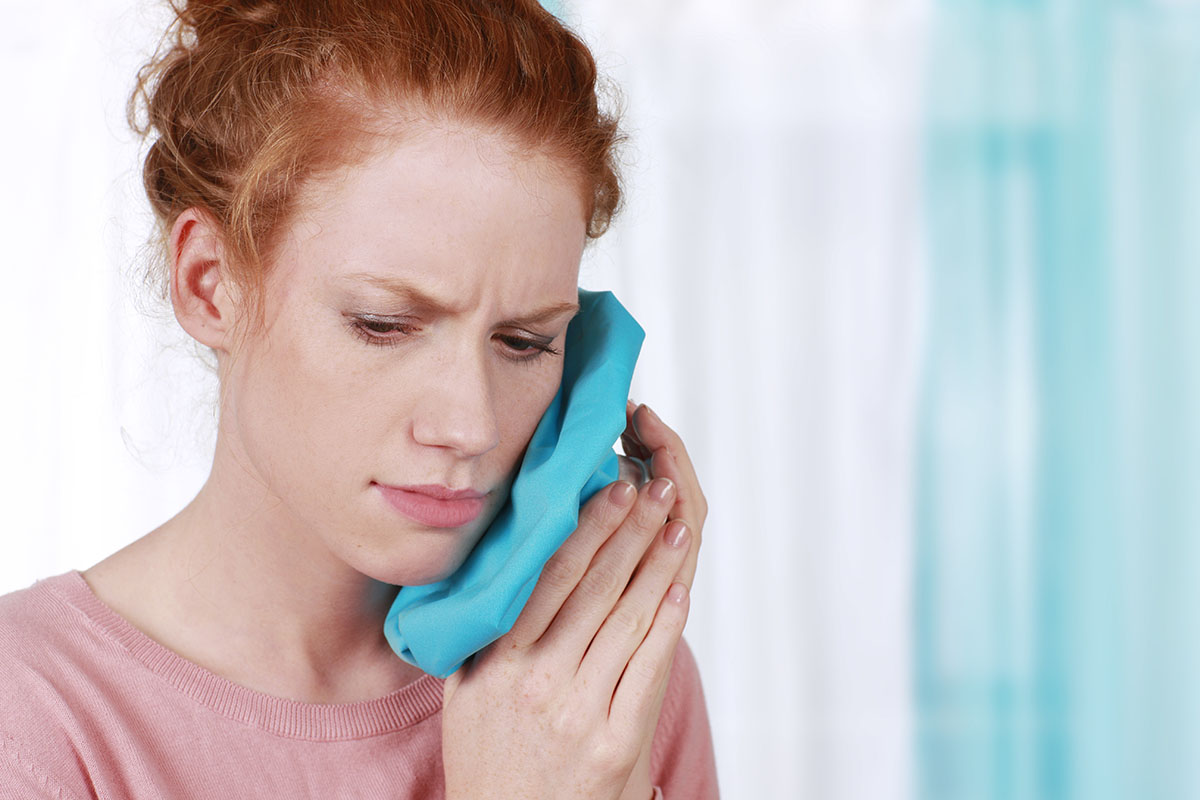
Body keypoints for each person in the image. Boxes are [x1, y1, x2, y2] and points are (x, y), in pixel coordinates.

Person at [0, 1, 717, 798]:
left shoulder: (598, 673)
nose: (470, 425)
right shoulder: (33, 718)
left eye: (524, 343)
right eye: (383, 325)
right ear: (211, 285)